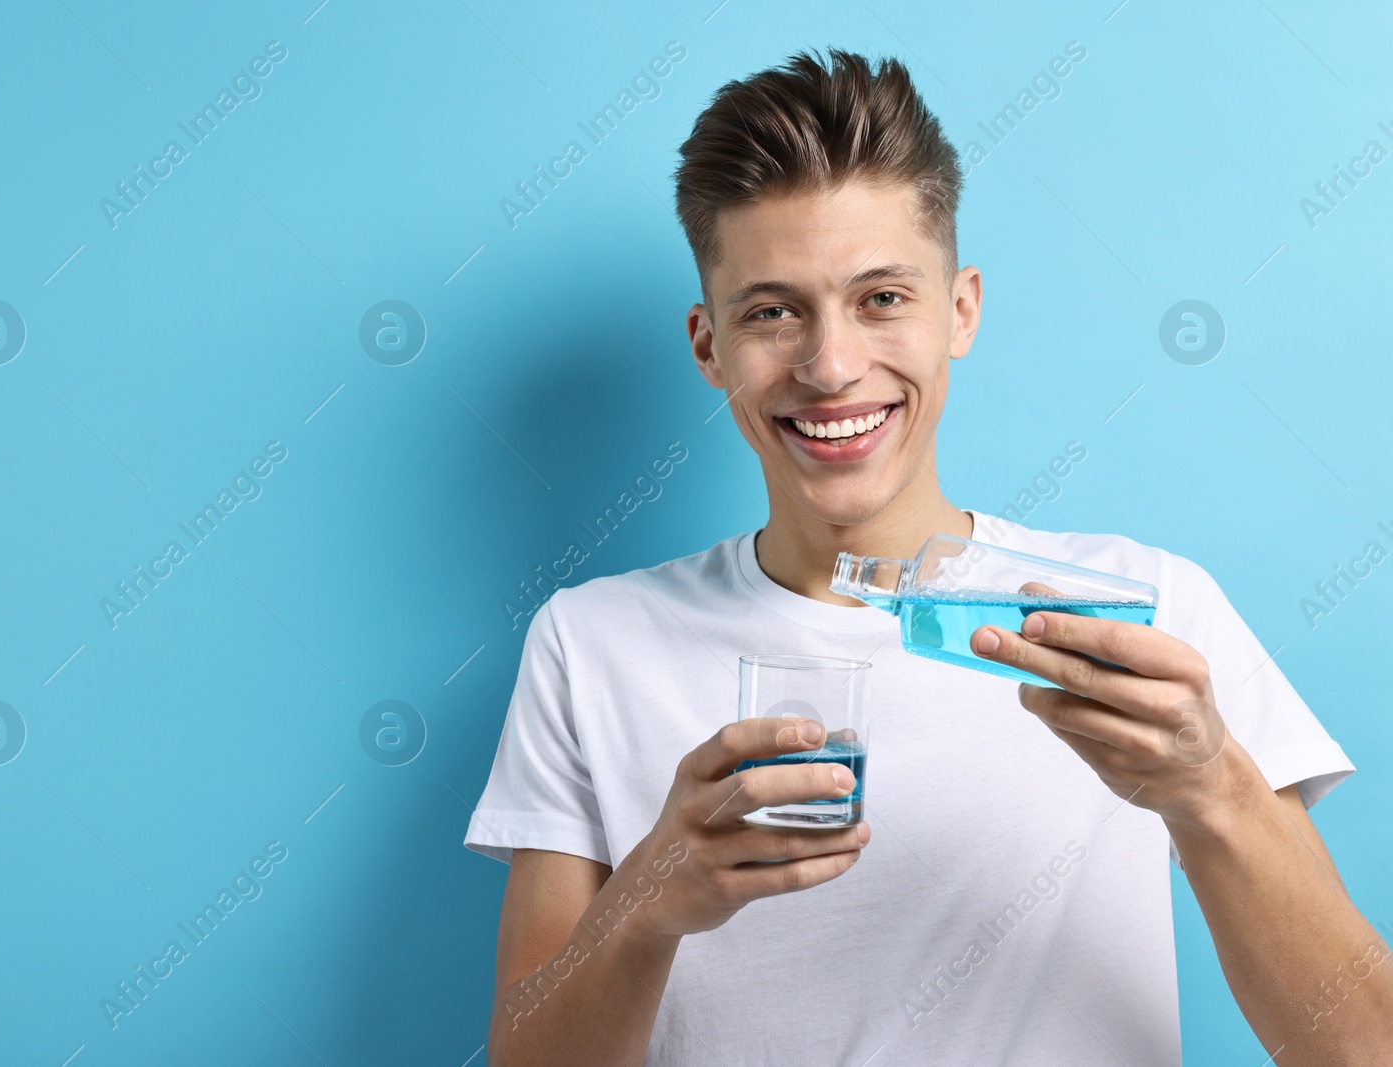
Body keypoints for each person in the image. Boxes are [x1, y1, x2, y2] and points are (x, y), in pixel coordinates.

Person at [463, 49, 1391, 1065]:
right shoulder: (592, 642)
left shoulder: (1142, 612)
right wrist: (646, 899)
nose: (830, 366)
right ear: (708, 344)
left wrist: (1209, 787)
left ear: (960, 309)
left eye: (881, 299)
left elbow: (1359, 1045)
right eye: (772, 311)